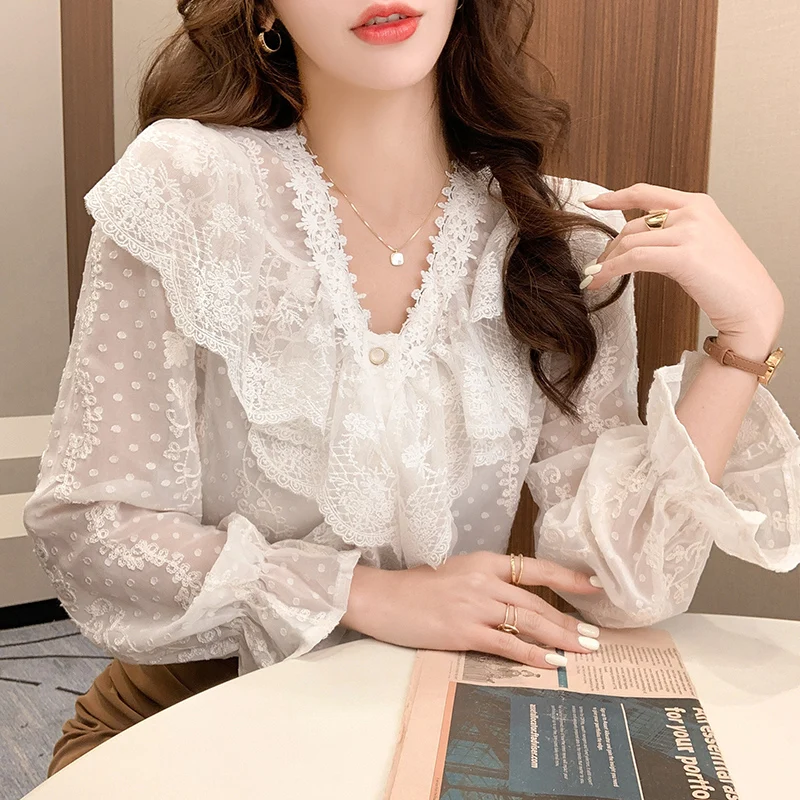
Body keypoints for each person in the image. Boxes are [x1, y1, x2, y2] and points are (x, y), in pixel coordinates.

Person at [23, 0, 799, 779]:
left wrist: (743, 343)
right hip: (189, 725)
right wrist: (361, 595)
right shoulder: (182, 187)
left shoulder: (554, 235)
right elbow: (93, 526)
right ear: (261, 8)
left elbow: (620, 587)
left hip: (420, 729)